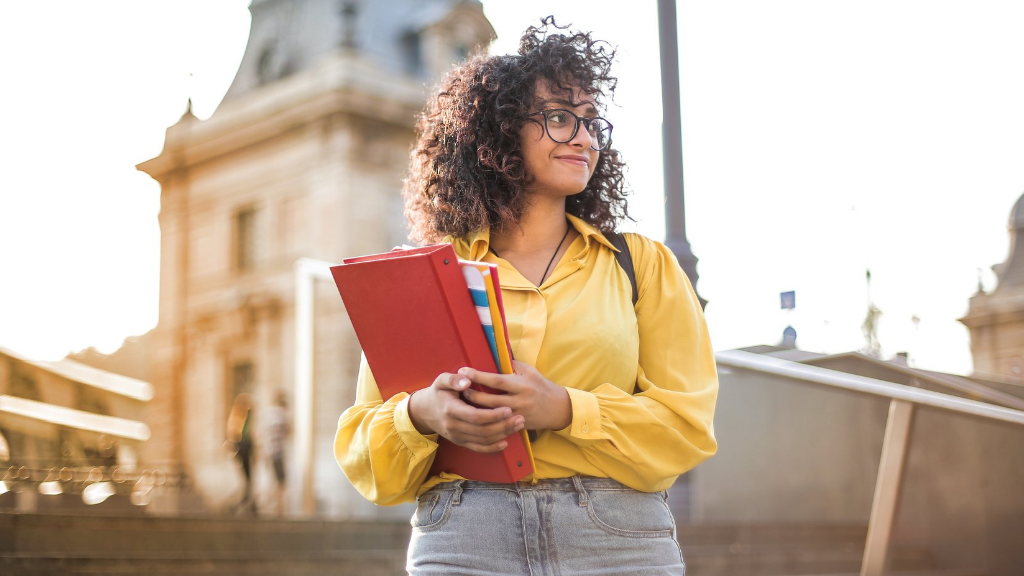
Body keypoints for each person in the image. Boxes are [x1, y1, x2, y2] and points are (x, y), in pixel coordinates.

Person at [335, 17, 718, 575]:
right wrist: (421, 414)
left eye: (591, 122)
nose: (584, 138)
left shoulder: (642, 265)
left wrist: (564, 409)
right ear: (500, 132)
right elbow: (365, 451)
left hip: (617, 538)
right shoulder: (428, 277)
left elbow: (687, 427)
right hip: (464, 537)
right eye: (560, 118)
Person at [226, 393, 256, 514]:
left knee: (248, 480)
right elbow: (235, 436)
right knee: (246, 480)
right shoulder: (238, 418)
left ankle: (250, 504)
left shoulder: (243, 418)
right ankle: (245, 503)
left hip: (245, 451)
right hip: (243, 451)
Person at [262, 390, 291, 515]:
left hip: (268, 451)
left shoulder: (268, 414)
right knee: (281, 482)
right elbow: (288, 431)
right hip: (277, 452)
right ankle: (278, 508)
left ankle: (273, 506)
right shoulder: (280, 415)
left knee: (274, 480)